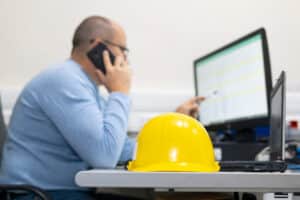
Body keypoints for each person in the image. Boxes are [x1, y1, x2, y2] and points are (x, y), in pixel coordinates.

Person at [0, 16, 204, 200]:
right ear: (99, 47)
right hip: (38, 195)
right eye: (123, 50)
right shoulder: (64, 80)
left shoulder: (87, 89)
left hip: (57, 191)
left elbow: (122, 150)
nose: (125, 60)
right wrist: (120, 92)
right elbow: (104, 157)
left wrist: (172, 127)